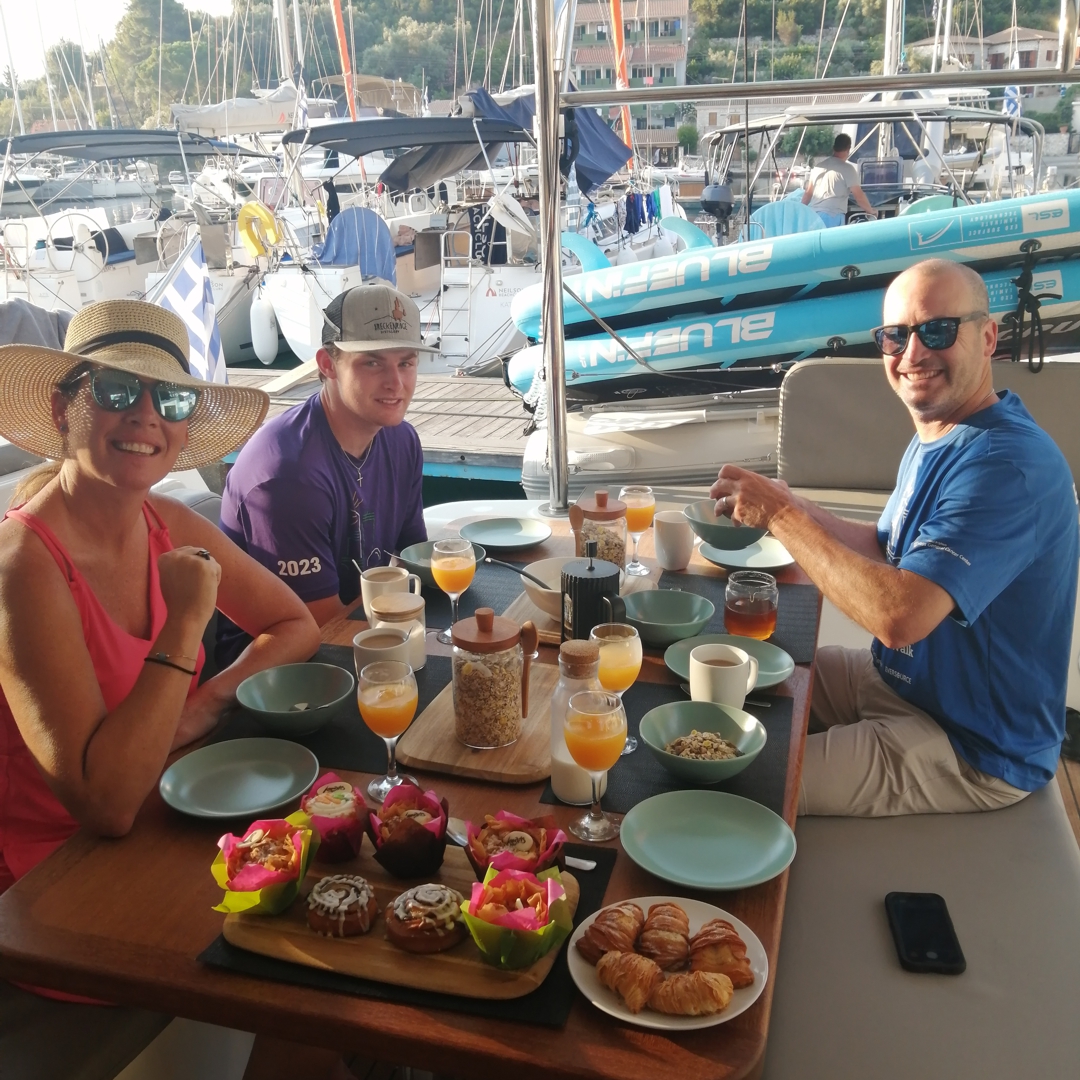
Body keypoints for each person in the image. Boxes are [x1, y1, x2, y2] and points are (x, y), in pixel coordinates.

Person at [0, 300, 320, 1075]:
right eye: (115, 391)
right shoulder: (23, 564)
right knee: (312, 959)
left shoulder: (168, 522)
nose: (144, 415)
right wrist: (186, 628)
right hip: (70, 884)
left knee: (347, 907)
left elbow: (295, 625)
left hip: (184, 816)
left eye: (169, 399)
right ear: (61, 405)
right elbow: (105, 805)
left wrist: (207, 701)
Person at [710, 258, 1079, 817]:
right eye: (894, 335)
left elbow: (901, 615)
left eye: (936, 330)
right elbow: (888, 551)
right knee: (722, 673)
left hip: (971, 745)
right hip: (898, 680)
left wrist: (783, 518)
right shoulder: (943, 434)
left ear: (988, 337)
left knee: (743, 785)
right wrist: (795, 505)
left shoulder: (1008, 465)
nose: (912, 354)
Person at [217, 283, 433, 665]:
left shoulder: (402, 440)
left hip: (363, 635)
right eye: (372, 362)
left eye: (406, 362)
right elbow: (323, 631)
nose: (396, 383)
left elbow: (413, 559)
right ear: (327, 364)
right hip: (280, 680)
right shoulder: (286, 475)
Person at [801, 133, 877, 227]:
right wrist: (871, 211)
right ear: (848, 149)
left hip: (814, 216)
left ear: (833, 148)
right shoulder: (848, 169)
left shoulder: (818, 167)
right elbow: (859, 196)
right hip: (833, 216)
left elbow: (807, 194)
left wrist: (800, 212)